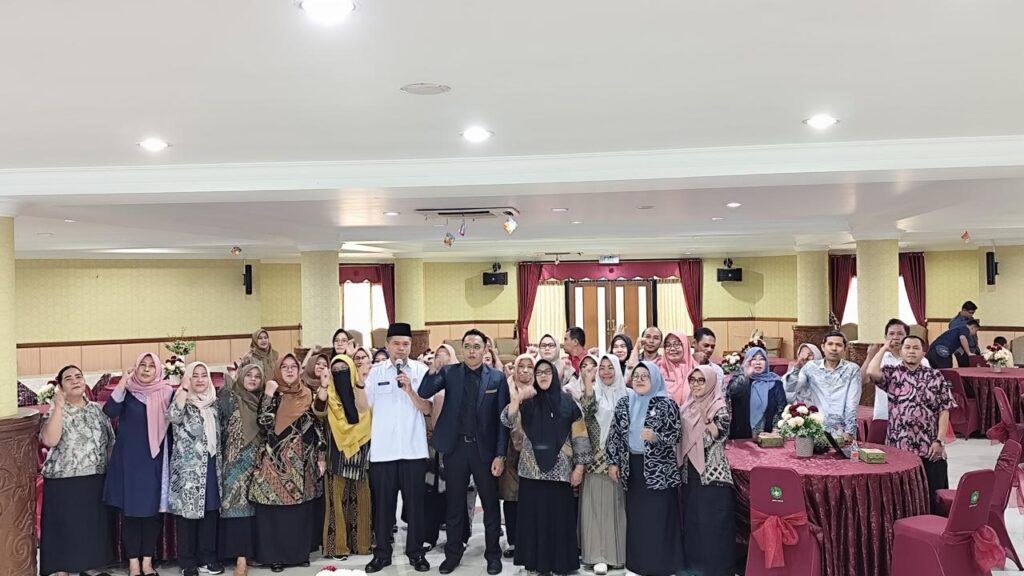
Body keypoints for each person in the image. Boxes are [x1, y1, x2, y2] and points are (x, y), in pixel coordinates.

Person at [419, 328, 510, 574]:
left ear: (485, 349)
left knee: (490, 505)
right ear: (462, 349)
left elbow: (502, 421)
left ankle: (493, 554)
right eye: (467, 346)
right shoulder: (450, 373)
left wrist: (500, 455)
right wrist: (433, 368)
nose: (471, 351)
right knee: (454, 505)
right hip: (456, 448)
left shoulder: (497, 378)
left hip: (485, 451)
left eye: (476, 346)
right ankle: (453, 553)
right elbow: (424, 392)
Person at [502, 359, 592, 576]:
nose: (542, 376)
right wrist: (518, 399)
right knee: (533, 521)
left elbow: (580, 436)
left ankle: (560, 564)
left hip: (560, 473)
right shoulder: (528, 402)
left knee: (558, 520)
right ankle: (536, 564)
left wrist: (579, 468)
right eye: (539, 372)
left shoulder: (568, 402)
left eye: (547, 372)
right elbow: (506, 420)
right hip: (530, 472)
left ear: (555, 375)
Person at [363, 323, 433, 573]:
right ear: (387, 345)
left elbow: (428, 408)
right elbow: (363, 407)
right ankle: (382, 554)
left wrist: (410, 391)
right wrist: (359, 382)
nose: (401, 349)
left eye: (406, 344)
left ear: (411, 346)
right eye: (396, 344)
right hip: (383, 452)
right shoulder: (376, 372)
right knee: (383, 507)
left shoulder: (421, 371)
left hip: (414, 450)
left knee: (416, 506)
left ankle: (416, 552)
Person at [605, 361, 683, 576]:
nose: (639, 380)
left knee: (659, 519)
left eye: (645, 376)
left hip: (659, 472)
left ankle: (663, 565)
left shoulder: (667, 404)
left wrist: (656, 437)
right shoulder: (624, 403)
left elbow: (676, 435)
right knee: (637, 519)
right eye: (636, 376)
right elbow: (614, 435)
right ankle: (638, 565)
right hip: (633, 469)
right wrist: (613, 462)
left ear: (655, 378)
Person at [249, 354, 324, 573]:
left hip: (304, 462)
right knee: (276, 512)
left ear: (299, 370)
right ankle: (275, 557)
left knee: (300, 512)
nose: (290, 371)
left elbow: (318, 426)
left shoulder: (307, 393)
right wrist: (268, 394)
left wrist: (321, 456)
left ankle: (299, 555)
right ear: (278, 371)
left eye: (293, 367)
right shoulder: (273, 395)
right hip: (276, 462)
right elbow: (264, 423)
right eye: (284, 367)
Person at [39, 365, 116, 576]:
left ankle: (88, 567)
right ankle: (61, 569)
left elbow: (110, 442)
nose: (75, 380)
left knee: (90, 526)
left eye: (78, 376)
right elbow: (49, 440)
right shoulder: (56, 410)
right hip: (63, 479)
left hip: (94, 477)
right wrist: (58, 407)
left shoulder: (97, 410)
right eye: (68, 378)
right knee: (63, 527)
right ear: (61, 386)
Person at [866, 336, 954, 513]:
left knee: (932, 494)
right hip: (899, 445)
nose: (911, 351)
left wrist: (940, 440)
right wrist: (884, 348)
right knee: (900, 495)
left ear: (923, 353)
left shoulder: (935, 376)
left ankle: (931, 523)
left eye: (916, 348)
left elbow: (944, 410)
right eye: (907, 347)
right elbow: (871, 372)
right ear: (901, 351)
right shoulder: (892, 374)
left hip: (928, 445)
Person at [103, 352, 173, 576]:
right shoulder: (128, 392)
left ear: (158, 370)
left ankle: (147, 562)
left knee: (153, 513)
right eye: (142, 365)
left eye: (151, 366)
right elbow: (110, 411)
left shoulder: (167, 392)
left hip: (156, 461)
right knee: (132, 514)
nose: (146, 369)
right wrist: (123, 382)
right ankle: (133, 563)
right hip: (129, 462)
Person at [314, 354, 373, 561]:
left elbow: (364, 412)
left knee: (361, 500)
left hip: (360, 455)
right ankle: (337, 547)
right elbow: (318, 411)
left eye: (344, 370)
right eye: (336, 371)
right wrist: (323, 385)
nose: (340, 374)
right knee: (335, 503)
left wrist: (360, 383)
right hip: (336, 454)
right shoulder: (328, 394)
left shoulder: (360, 391)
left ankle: (362, 545)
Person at [168, 362, 224, 576]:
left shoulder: (214, 404)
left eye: (203, 375)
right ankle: (187, 562)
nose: (200, 380)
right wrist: (183, 388)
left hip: (211, 465)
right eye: (195, 376)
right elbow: (172, 417)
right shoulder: (183, 401)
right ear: (188, 378)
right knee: (188, 516)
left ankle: (207, 559)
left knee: (210, 511)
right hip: (188, 470)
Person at [679, 366, 735, 576]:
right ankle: (695, 567)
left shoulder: (719, 406)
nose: (695, 384)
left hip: (712, 474)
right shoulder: (687, 406)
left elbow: (720, 436)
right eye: (692, 380)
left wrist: (708, 422)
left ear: (710, 382)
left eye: (700, 380)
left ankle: (717, 569)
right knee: (693, 521)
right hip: (689, 472)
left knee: (713, 523)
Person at [578, 354, 629, 575]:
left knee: (616, 508)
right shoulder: (593, 394)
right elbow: (587, 409)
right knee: (594, 509)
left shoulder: (627, 395)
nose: (606, 372)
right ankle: (597, 556)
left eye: (610, 367)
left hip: (619, 460)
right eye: (602, 368)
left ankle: (617, 555)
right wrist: (588, 383)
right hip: (594, 460)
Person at [217, 363, 265, 576]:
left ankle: (250, 554)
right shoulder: (230, 398)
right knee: (236, 509)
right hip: (234, 463)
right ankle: (240, 559)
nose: (253, 379)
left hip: (257, 463)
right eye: (249, 375)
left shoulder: (263, 401)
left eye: (257, 376)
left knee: (254, 511)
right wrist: (230, 378)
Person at [784, 331, 861, 441]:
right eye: (830, 344)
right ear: (823, 347)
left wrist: (849, 431)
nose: (834, 348)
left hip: (841, 430)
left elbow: (852, 403)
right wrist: (796, 369)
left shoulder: (852, 369)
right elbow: (792, 388)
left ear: (845, 349)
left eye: (839, 345)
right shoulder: (811, 367)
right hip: (815, 428)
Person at [498, 354, 534, 560]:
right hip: (510, 450)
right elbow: (501, 421)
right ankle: (513, 541)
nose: (525, 371)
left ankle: (531, 539)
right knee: (511, 497)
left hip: (535, 452)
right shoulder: (506, 389)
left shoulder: (540, 390)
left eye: (530, 367)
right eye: (521, 366)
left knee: (532, 497)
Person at [864, 319, 932, 420]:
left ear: (907, 337)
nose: (895, 337)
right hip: (883, 416)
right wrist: (880, 350)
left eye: (900, 334)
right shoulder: (880, 358)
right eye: (891, 334)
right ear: (885, 337)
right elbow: (866, 378)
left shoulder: (921, 360)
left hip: (911, 418)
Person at [728, 346, 787, 439]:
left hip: (768, 436)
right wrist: (745, 376)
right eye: (753, 359)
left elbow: (781, 408)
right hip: (742, 436)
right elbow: (732, 393)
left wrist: (774, 431)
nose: (758, 362)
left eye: (762, 359)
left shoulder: (775, 382)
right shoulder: (739, 379)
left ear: (766, 362)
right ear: (747, 362)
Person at [656, 331, 695, 405]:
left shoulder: (696, 369)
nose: (672, 349)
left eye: (677, 344)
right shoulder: (657, 369)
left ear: (685, 346)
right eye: (668, 345)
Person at [949, 300, 980, 365]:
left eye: (973, 313)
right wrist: (963, 352)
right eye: (970, 312)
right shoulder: (955, 322)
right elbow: (957, 338)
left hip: (974, 349)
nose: (971, 314)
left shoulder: (971, 319)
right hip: (963, 352)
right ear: (964, 310)